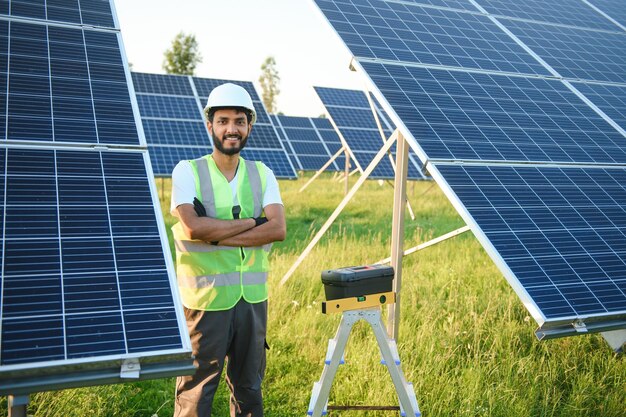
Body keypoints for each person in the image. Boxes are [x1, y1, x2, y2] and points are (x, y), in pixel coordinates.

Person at [170, 82, 286, 417]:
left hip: (252, 302)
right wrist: (253, 223)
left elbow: (277, 229)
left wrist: (215, 233)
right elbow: (193, 227)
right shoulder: (187, 171)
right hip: (205, 303)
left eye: (239, 121)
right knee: (196, 393)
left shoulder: (262, 174)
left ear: (249, 126)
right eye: (223, 121)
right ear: (210, 126)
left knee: (249, 388)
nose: (231, 129)